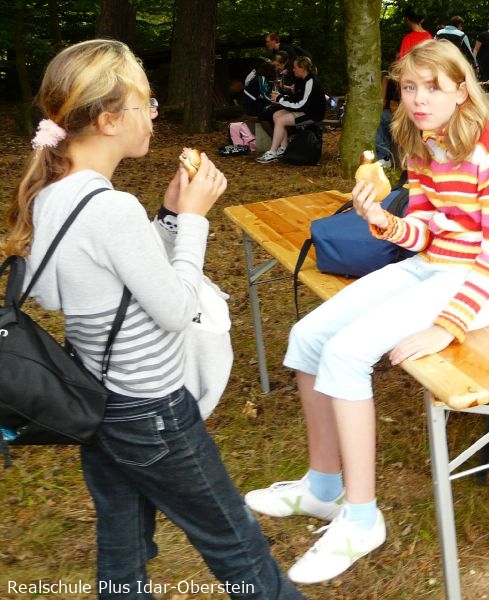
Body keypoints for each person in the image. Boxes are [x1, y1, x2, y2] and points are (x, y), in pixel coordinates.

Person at [3, 39, 304, 600]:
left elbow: (90, 284)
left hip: (101, 405)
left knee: (122, 551)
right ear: (110, 120)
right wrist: (193, 221)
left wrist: (165, 216)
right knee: (238, 547)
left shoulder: (54, 194)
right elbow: (176, 309)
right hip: (153, 413)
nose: (155, 115)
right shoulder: (109, 207)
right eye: (147, 104)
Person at [244, 38, 489, 585]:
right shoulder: (421, 137)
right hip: (433, 264)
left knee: (347, 354)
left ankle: (361, 520)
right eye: (410, 87)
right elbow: (423, 230)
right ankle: (323, 487)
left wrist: (447, 326)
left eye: (433, 88)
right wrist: (383, 221)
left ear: (462, 90)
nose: (418, 99)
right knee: (307, 336)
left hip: (483, 281)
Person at [256, 55, 326, 163]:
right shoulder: (302, 80)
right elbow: (296, 99)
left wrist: (279, 99)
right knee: (276, 115)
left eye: (295, 67)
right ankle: (283, 148)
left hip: (313, 114)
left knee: (281, 120)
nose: (293, 69)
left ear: (302, 68)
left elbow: (301, 105)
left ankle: (272, 152)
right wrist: (281, 97)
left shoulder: (310, 82)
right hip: (305, 110)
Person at [375, 70, 399, 167]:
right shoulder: (393, 80)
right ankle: (385, 157)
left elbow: (385, 104)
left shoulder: (392, 79)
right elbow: (392, 105)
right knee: (381, 117)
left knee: (380, 118)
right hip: (398, 114)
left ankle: (384, 157)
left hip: (405, 116)